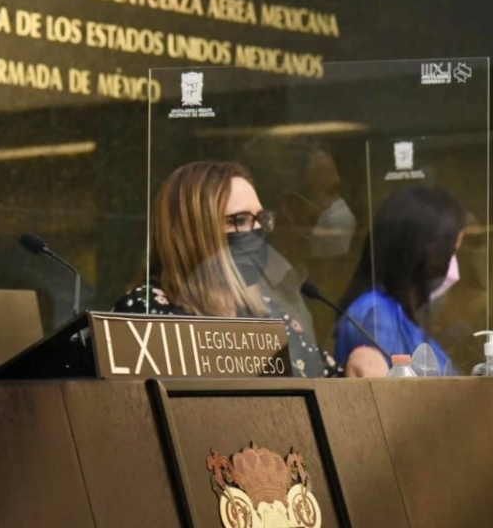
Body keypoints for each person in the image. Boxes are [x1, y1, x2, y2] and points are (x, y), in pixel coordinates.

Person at [113, 161, 387, 378]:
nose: (255, 231)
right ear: (193, 231)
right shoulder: (144, 315)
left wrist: (358, 361)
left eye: (260, 219)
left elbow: (321, 382)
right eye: (240, 220)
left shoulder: (266, 312)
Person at [336, 184, 465, 375]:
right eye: (451, 252)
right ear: (427, 251)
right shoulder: (376, 315)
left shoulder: (400, 316)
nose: (452, 266)